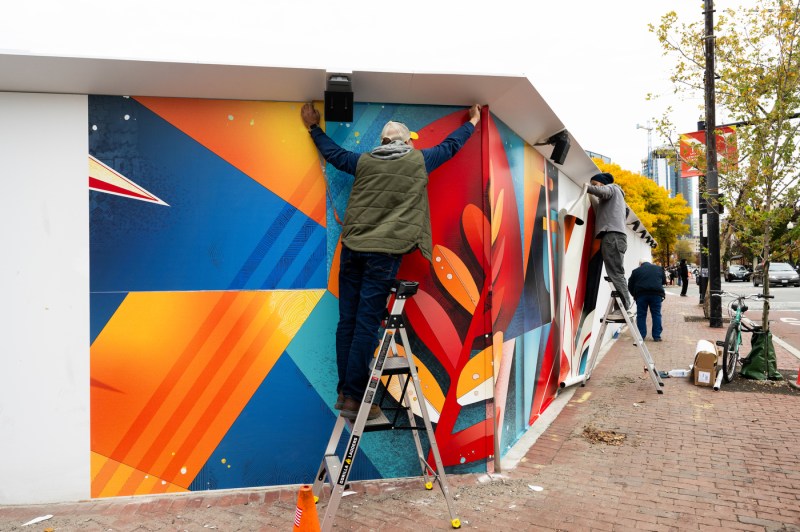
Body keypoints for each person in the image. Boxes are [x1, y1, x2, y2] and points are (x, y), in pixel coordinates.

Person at [301, 102, 482, 420]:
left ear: (382, 143)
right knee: (366, 324)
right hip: (384, 256)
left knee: (348, 322)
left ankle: (346, 394)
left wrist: (313, 128)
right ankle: (356, 398)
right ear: (407, 143)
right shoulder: (420, 160)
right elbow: (451, 146)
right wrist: (473, 122)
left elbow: (334, 154)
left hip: (354, 248)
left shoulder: (363, 161)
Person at [584, 172, 633, 318]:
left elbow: (603, 191)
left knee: (615, 273)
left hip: (612, 236)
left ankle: (624, 307)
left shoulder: (612, 188)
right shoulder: (616, 200)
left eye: (595, 184)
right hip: (615, 237)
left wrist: (586, 187)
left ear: (602, 183)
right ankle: (622, 307)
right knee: (616, 272)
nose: (594, 187)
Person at [628, 260, 667, 342]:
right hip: (656, 295)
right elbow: (663, 281)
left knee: (641, 315)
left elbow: (630, 285)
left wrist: (634, 295)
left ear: (640, 264)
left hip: (641, 295)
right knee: (656, 314)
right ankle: (657, 336)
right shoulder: (659, 269)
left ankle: (641, 335)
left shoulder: (636, 271)